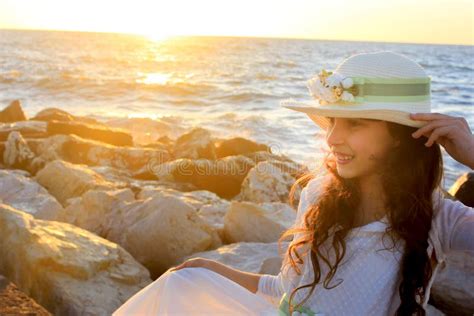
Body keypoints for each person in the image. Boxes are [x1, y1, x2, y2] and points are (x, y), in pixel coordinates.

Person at [113, 51, 474, 316]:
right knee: (180, 286)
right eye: (332, 122)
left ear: (399, 136)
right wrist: (214, 271)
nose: (332, 139)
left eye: (354, 124)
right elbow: (291, 293)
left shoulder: (439, 218)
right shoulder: (319, 194)